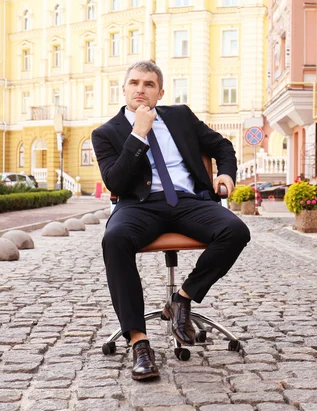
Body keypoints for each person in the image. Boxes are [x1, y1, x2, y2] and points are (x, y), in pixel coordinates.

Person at [91, 60, 251, 381]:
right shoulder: (106, 133)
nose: (140, 89)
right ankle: (139, 343)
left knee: (235, 230)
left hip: (188, 202)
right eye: (134, 83)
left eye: (149, 84)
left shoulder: (180, 116)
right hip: (139, 205)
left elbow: (221, 144)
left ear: (160, 92)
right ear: (123, 90)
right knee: (115, 240)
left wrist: (225, 173)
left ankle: (181, 300)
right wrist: (138, 133)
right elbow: (116, 183)